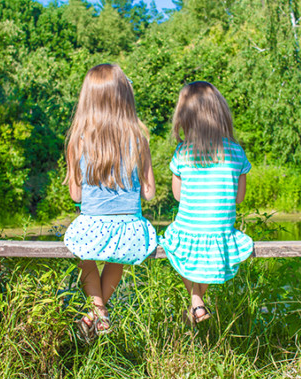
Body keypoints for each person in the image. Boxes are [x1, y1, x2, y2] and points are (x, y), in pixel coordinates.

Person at [63, 63, 156, 342]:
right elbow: (149, 192)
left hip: (91, 224)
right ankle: (100, 312)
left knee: (81, 250)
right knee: (122, 253)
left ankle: (96, 311)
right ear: (124, 97)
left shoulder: (78, 140)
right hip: (130, 229)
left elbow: (76, 196)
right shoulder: (139, 137)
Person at [159, 81, 253, 325]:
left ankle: (196, 302)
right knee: (210, 252)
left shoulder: (183, 152)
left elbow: (178, 196)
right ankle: (197, 305)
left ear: (185, 117)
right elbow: (239, 198)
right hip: (220, 234)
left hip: (189, 231)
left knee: (173, 239)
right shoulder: (235, 151)